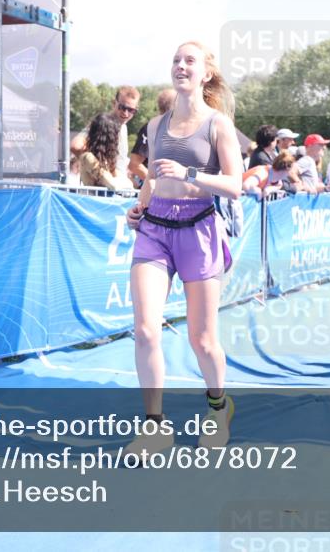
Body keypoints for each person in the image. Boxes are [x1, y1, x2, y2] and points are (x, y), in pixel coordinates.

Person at [123, 41, 242, 458]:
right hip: (155, 229)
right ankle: (155, 428)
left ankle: (217, 407)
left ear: (205, 73)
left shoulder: (218, 125)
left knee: (203, 340)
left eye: (189, 60)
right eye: (175, 60)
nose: (180, 65)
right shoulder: (156, 126)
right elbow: (153, 179)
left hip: (199, 229)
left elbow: (235, 185)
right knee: (145, 330)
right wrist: (138, 206)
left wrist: (192, 172)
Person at [129, 89, 176, 185]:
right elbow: (135, 164)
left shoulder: (177, 129)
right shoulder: (151, 128)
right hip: (154, 192)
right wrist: (158, 185)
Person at [78, 113, 134, 190]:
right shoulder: (88, 157)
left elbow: (129, 184)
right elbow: (113, 185)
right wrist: (122, 182)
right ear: (109, 138)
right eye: (115, 134)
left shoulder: (107, 160)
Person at [112, 86, 140, 180]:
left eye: (131, 110)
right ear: (114, 103)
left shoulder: (123, 126)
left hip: (119, 188)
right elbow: (76, 146)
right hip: (102, 189)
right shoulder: (102, 123)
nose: (126, 113)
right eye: (122, 107)